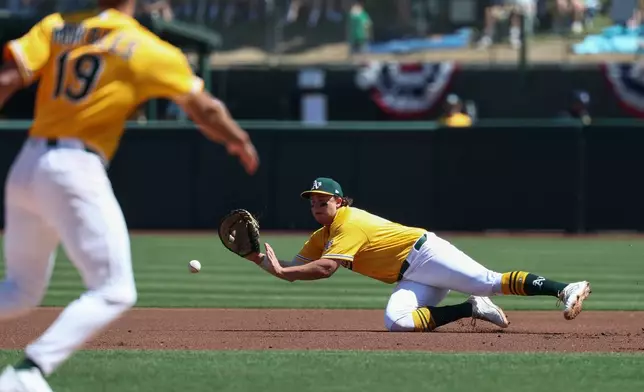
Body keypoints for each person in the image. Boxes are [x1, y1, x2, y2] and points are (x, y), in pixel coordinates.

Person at [0, 0, 259, 390]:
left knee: (20, 291)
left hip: (27, 164)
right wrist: (237, 139)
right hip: (75, 167)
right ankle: (27, 373)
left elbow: (6, 80)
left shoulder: (57, 26)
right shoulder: (147, 47)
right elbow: (204, 109)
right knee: (114, 290)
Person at [245, 177, 591, 333]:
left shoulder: (349, 223)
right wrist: (254, 257)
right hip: (410, 275)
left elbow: (324, 270)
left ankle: (565, 288)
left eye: (324, 200)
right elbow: (290, 267)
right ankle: (470, 308)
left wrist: (285, 273)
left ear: (340, 201)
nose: (318, 205)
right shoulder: (323, 235)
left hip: (425, 254)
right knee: (396, 322)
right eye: (313, 201)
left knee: (489, 282)